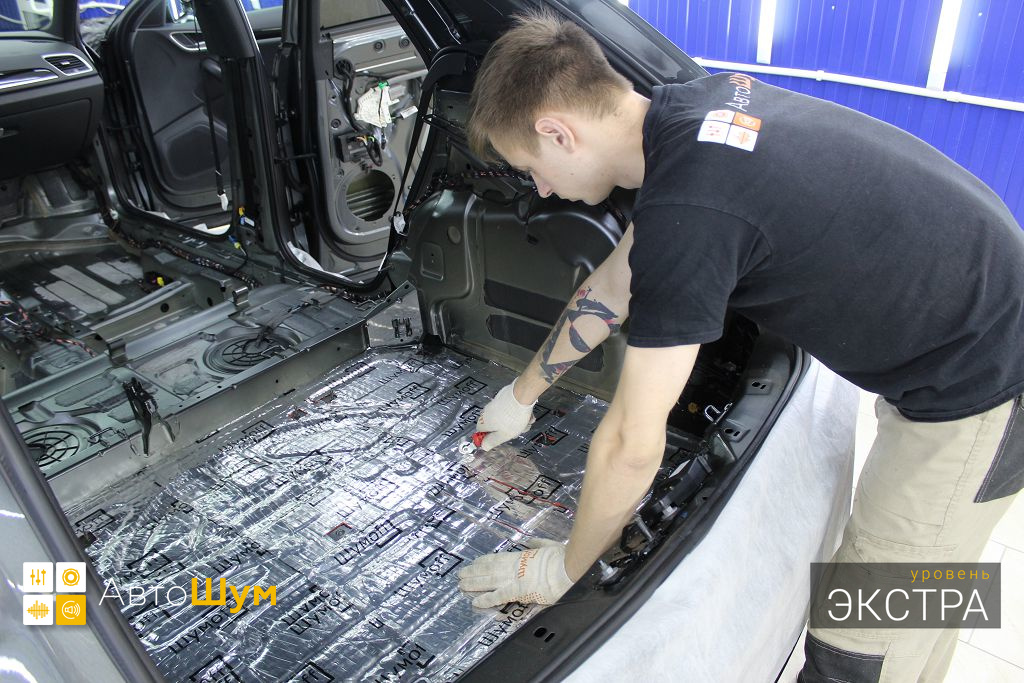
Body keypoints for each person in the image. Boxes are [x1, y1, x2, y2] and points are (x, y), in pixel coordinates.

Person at [453, 12, 1024, 682]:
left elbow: (632, 443)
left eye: (531, 168)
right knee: (927, 605)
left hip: (978, 385)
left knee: (858, 648)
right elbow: (611, 287)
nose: (542, 188)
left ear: (558, 131)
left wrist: (566, 568)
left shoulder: (689, 209)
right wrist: (521, 394)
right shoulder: (691, 110)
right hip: (971, 330)